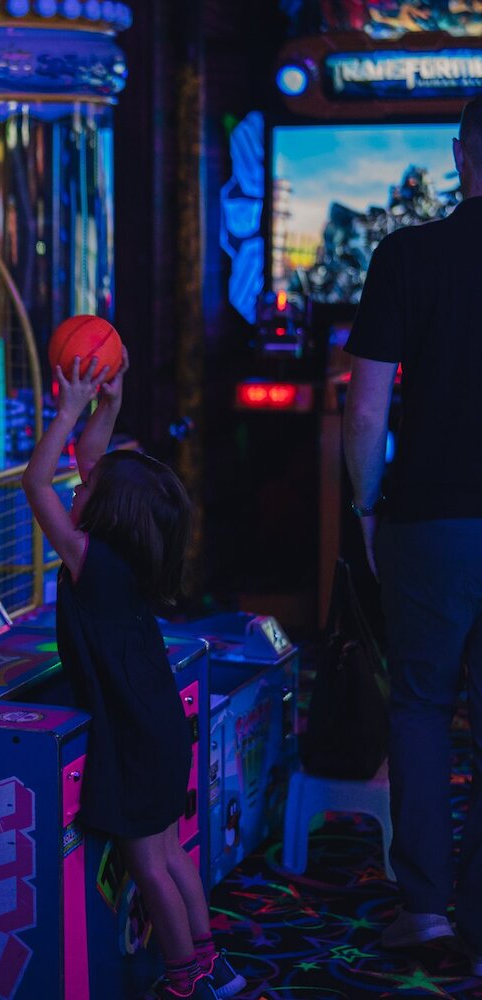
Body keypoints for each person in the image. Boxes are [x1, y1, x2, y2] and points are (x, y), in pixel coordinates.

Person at [22, 348, 245, 1000]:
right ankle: (212, 961)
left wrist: (66, 412)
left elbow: (37, 483)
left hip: (136, 735)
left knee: (148, 864)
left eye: (85, 488)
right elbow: (91, 466)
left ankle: (184, 980)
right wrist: (108, 404)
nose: (76, 483)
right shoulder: (126, 550)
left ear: (105, 511)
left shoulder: (89, 557)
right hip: (159, 724)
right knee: (173, 852)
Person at [343, 93, 482, 967]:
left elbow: (365, 407)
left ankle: (428, 911)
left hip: (430, 516)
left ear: (464, 155)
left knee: (424, 709)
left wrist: (363, 503)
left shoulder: (407, 253)